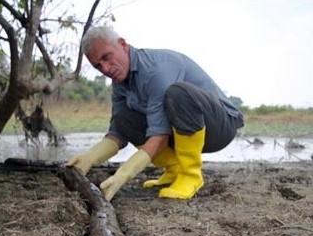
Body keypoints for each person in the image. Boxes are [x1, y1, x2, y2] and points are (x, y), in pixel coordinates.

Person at [68, 26, 244, 201]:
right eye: (98, 65)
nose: (105, 68)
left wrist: (124, 173)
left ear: (122, 44)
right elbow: (118, 132)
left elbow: (159, 136)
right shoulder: (120, 84)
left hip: (220, 126)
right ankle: (174, 169)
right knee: (124, 119)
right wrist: (90, 157)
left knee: (178, 93)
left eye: (107, 57)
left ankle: (190, 175)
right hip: (179, 130)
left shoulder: (156, 69)